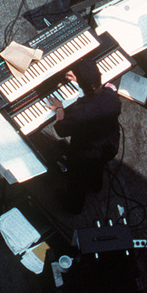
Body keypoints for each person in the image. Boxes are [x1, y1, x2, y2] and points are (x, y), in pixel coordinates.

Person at [51, 66, 121, 213]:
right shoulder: (111, 96)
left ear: (83, 86)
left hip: (85, 155)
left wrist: (59, 109)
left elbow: (61, 129)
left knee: (76, 182)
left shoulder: (81, 113)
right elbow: (104, 91)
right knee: (97, 168)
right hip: (109, 146)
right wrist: (82, 78)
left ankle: (73, 205)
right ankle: (96, 186)